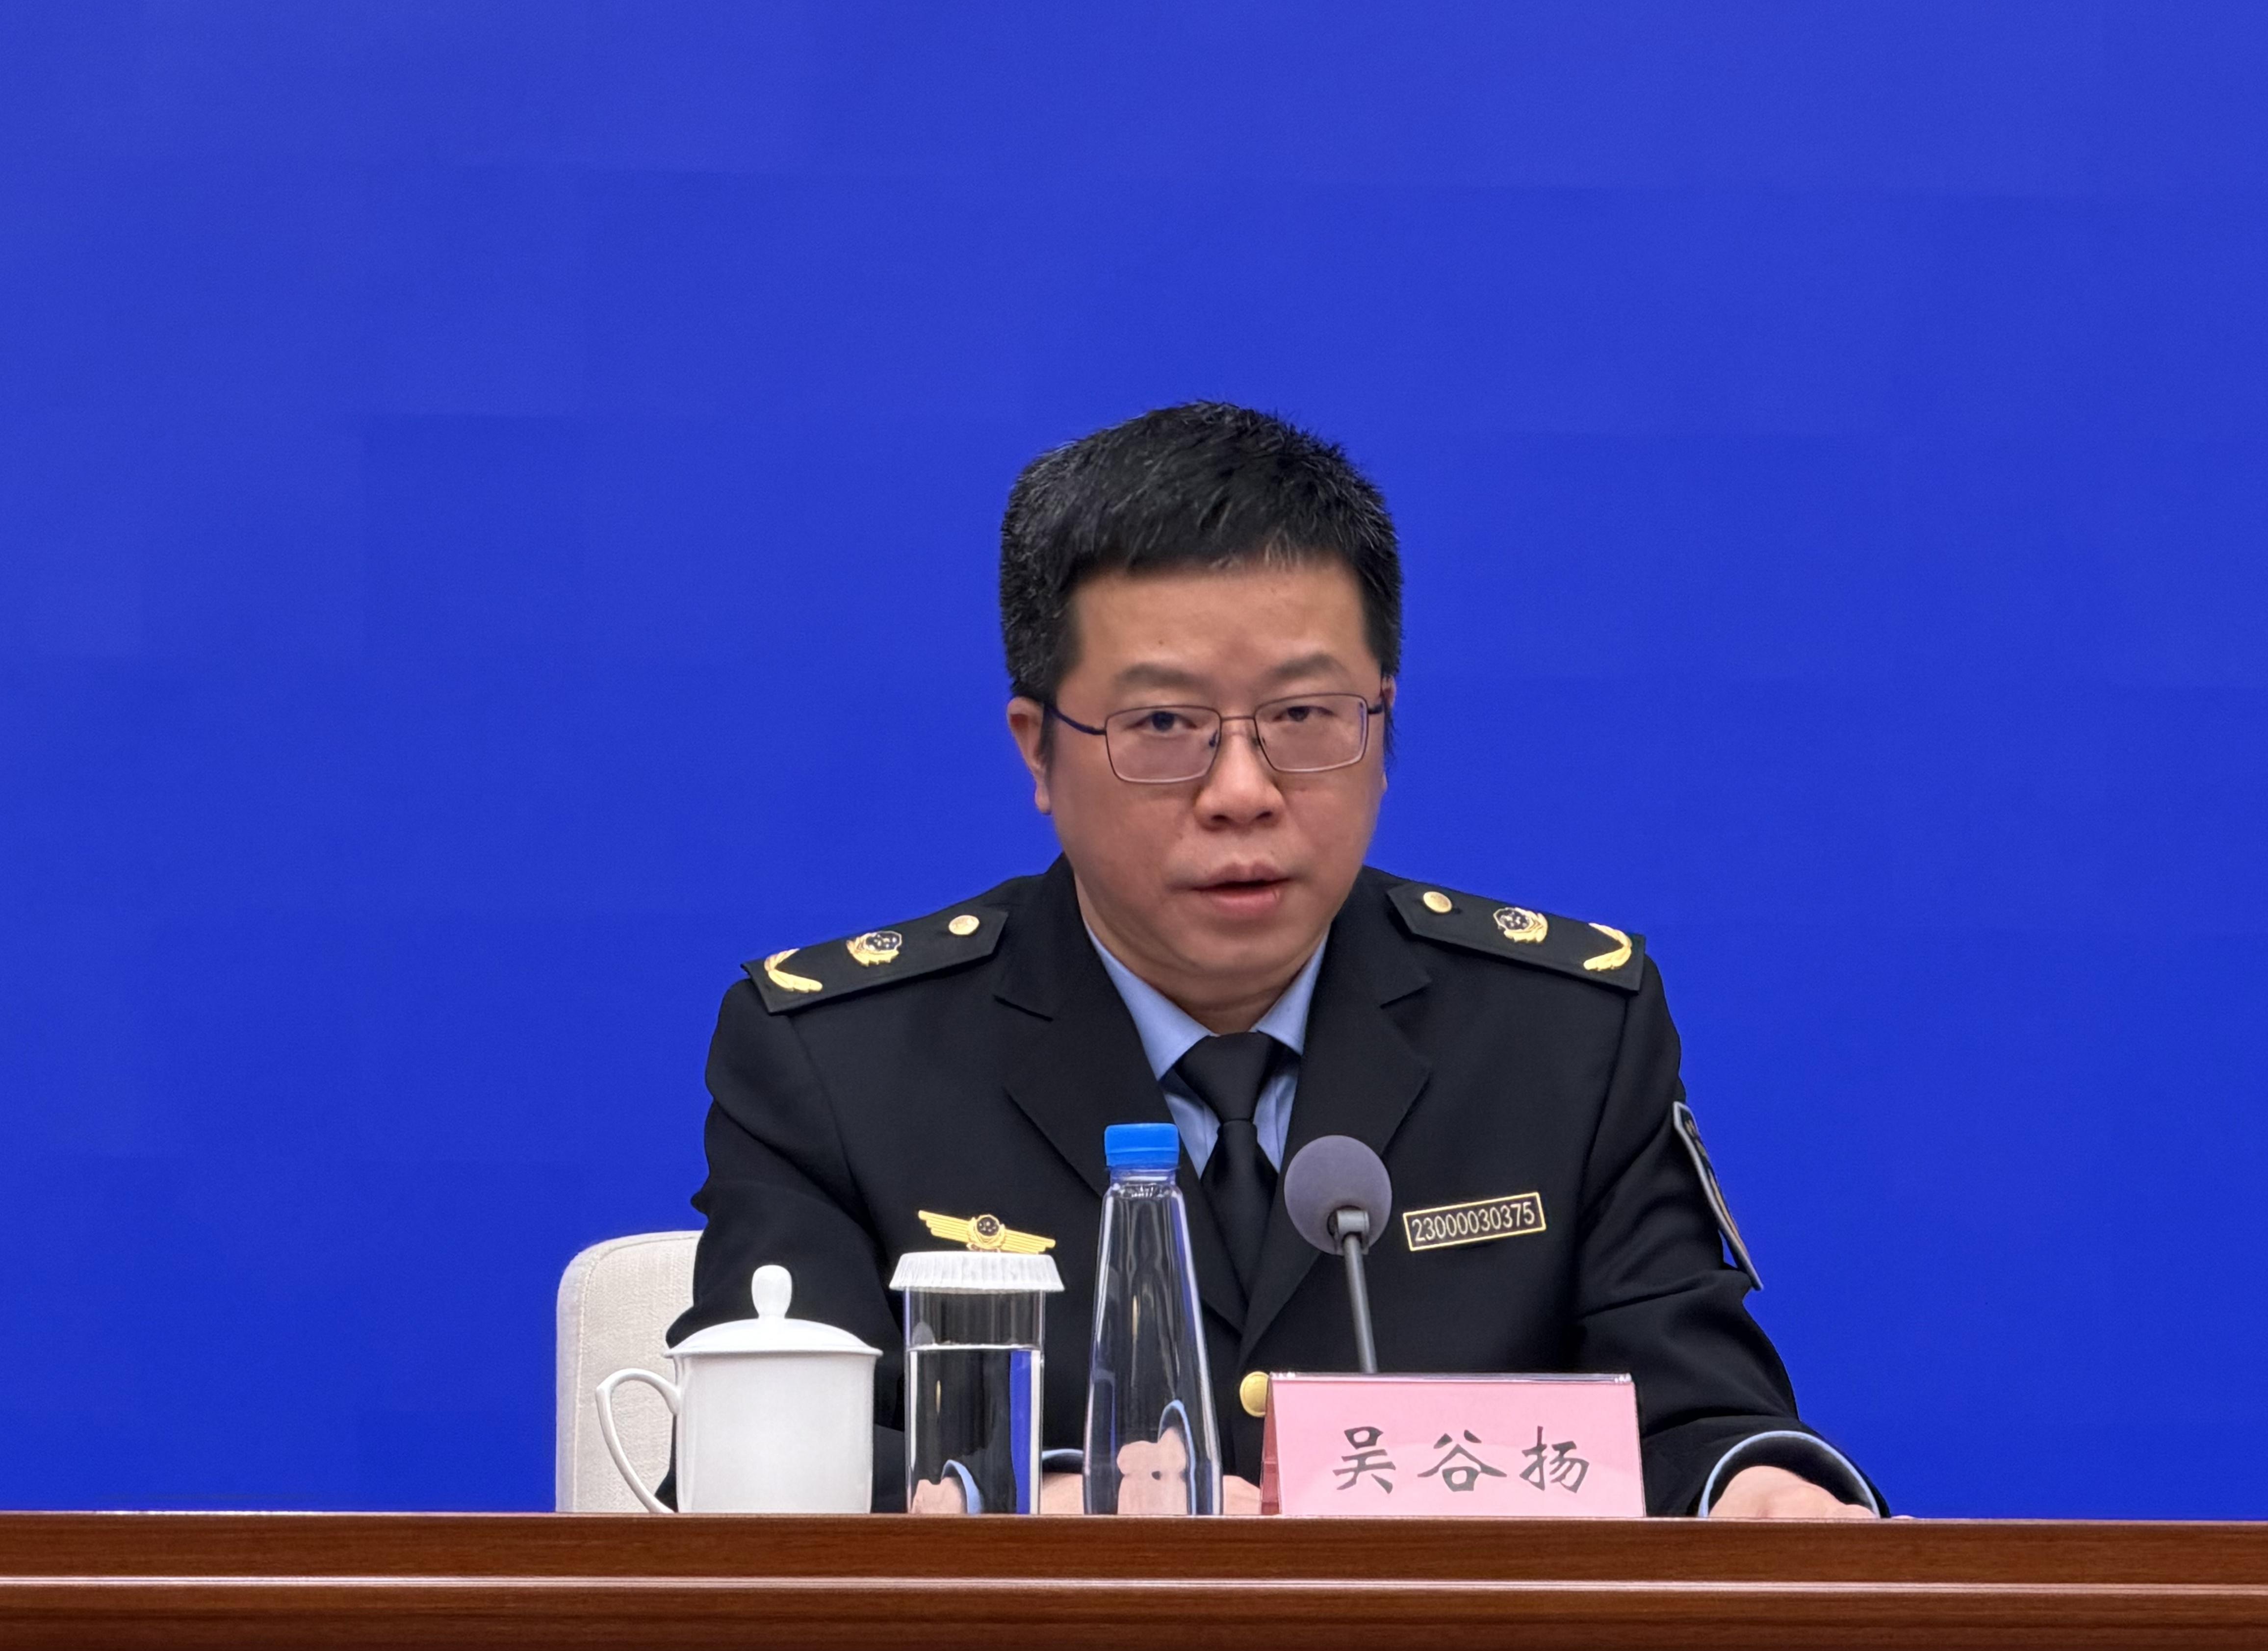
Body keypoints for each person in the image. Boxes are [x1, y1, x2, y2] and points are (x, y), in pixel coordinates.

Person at [667, 403, 1881, 1519]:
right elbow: (745, 1462)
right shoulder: (839, 1063)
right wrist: (1028, 1504)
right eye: (1163, 725)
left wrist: (1759, 1486)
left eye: (1303, 717)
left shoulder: (1562, 1037)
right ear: (1037, 750)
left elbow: (1697, 1417)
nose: (1241, 790)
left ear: (1382, 723)